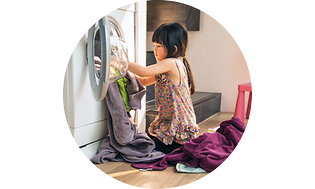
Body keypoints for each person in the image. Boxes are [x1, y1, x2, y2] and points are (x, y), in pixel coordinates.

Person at [128, 22, 200, 154]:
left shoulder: (172, 63)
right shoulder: (167, 67)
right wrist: (123, 76)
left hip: (179, 126)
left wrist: (123, 62)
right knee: (146, 144)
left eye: (158, 46)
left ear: (174, 48)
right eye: (154, 45)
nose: (154, 50)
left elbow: (143, 71)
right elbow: (143, 80)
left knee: (145, 148)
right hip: (170, 122)